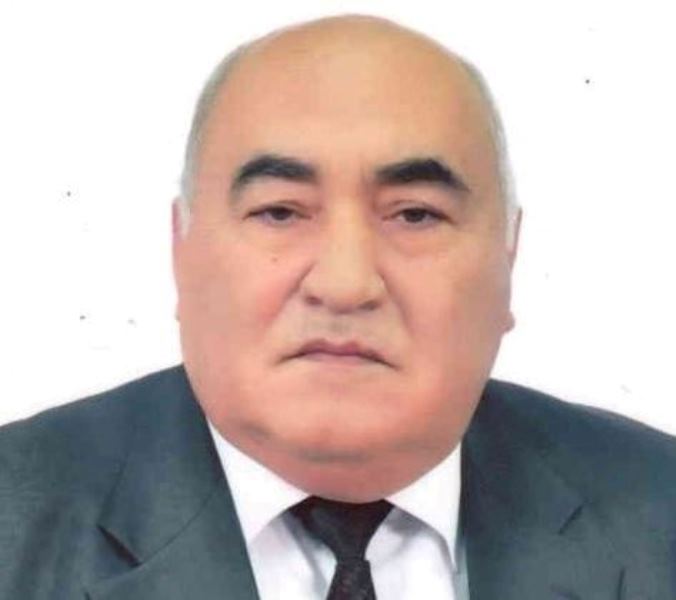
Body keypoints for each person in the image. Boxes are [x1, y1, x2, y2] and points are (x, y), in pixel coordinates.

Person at [1, 14, 674, 600]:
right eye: (280, 212)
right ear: (182, 248)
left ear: (509, 255)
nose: (346, 284)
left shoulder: (658, 513)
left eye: (415, 215)